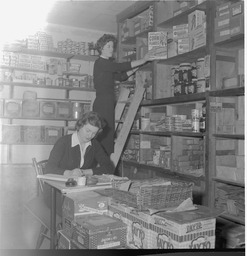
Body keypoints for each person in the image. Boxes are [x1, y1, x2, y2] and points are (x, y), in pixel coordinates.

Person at [93, 33, 158, 156]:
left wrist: (137, 67)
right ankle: (103, 161)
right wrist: (142, 60)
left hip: (107, 102)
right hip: (102, 103)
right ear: (101, 48)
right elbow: (120, 67)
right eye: (108, 46)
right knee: (104, 134)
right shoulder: (101, 63)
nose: (111, 49)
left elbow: (121, 76)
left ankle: (105, 160)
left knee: (107, 133)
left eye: (112, 46)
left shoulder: (106, 65)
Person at [43, 111, 114, 215]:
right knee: (76, 212)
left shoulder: (94, 144)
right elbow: (49, 168)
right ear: (80, 126)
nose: (90, 136)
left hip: (79, 191)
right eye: (88, 131)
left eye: (94, 133)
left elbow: (109, 167)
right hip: (56, 193)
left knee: (99, 207)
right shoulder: (63, 142)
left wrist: (85, 172)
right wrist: (69, 173)